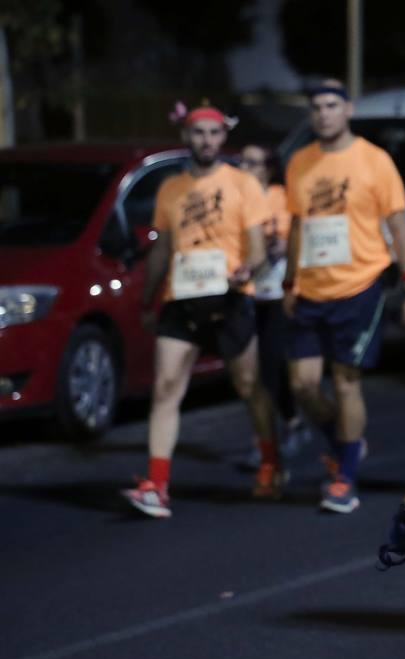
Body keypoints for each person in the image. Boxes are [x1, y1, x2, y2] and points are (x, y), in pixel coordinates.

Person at [123, 105, 278, 518]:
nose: (207, 140)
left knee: (248, 387)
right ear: (187, 137)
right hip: (181, 297)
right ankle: (157, 484)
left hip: (230, 297)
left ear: (221, 138)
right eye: (199, 133)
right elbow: (160, 251)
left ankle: (269, 460)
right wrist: (148, 300)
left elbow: (259, 251)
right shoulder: (171, 189)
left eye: (213, 133)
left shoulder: (242, 184)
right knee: (166, 389)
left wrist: (248, 270)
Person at [283, 79, 405, 514]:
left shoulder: (374, 160)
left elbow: (399, 225)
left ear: (347, 110)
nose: (323, 113)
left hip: (361, 285)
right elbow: (296, 227)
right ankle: (346, 441)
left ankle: (344, 477)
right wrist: (290, 282)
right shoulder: (299, 163)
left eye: (331, 105)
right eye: (316, 107)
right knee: (303, 384)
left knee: (346, 382)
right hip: (310, 288)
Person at [239, 143, 305, 461]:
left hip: (276, 289)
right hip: (244, 290)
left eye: (253, 163)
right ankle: (264, 438)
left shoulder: (280, 195)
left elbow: (288, 236)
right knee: (250, 372)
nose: (245, 168)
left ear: (267, 167)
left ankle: (288, 425)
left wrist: (274, 243)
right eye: (242, 162)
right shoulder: (235, 196)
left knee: (272, 365)